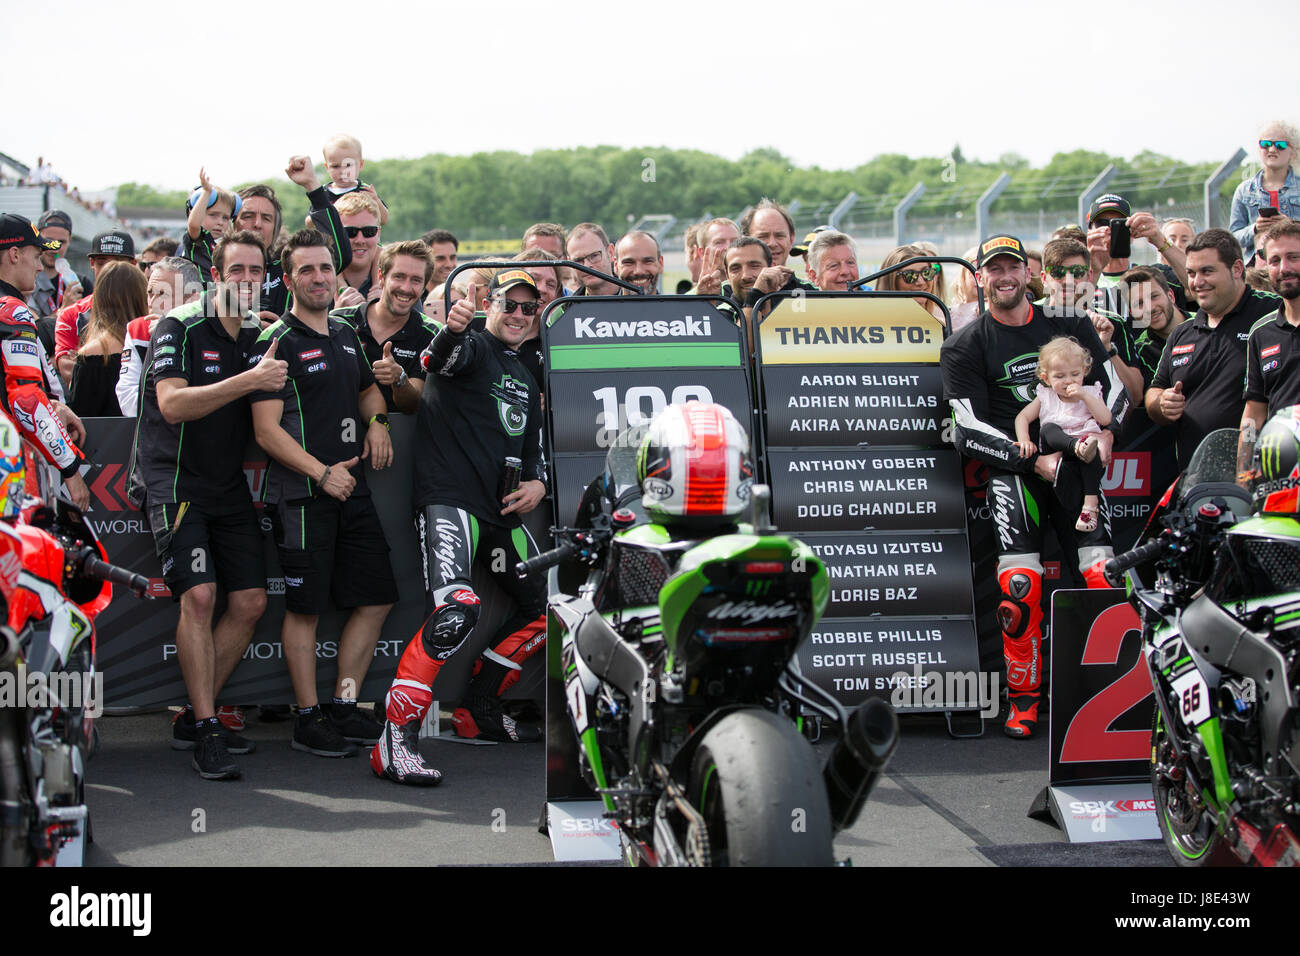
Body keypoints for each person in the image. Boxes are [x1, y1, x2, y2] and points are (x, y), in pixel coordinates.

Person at [940, 234, 1129, 738]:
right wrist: (1031, 460)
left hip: (1076, 468)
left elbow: (1110, 390)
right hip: (1017, 472)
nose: (1005, 277)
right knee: (1019, 592)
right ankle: (1023, 702)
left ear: (1030, 272)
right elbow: (967, 428)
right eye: (994, 269)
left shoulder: (1068, 324)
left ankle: (1119, 698)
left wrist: (1106, 432)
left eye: (1013, 267)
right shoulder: (965, 344)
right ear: (980, 277)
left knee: (1103, 577)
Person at [371, 269, 548, 784]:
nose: (517, 315)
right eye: (509, 305)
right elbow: (438, 360)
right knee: (457, 610)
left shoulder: (526, 376)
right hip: (450, 501)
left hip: (502, 512)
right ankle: (392, 741)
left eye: (527, 308)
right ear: (489, 305)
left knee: (548, 608)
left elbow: (532, 453)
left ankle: (478, 708)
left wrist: (537, 483)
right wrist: (451, 330)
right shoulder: (470, 346)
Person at [132, 231, 282, 779]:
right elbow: (171, 405)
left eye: (254, 270)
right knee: (199, 597)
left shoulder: (262, 333)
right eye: (235, 270)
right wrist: (250, 378)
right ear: (217, 275)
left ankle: (195, 719)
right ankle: (208, 727)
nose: (244, 279)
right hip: (172, 482)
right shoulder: (181, 324)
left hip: (225, 485)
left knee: (249, 603)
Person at [251, 229, 397, 758]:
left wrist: (377, 421)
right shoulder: (277, 343)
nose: (318, 278)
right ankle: (308, 718)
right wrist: (320, 473)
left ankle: (342, 705)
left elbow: (366, 387)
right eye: (306, 270)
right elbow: (267, 430)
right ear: (289, 279)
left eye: (324, 269)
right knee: (306, 610)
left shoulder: (343, 333)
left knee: (377, 596)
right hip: (305, 494)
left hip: (351, 489)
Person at [1146, 229, 1281, 469]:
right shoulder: (1182, 332)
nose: (1198, 282)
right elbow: (1155, 389)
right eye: (1191, 273)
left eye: (1207, 271)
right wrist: (1161, 402)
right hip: (1196, 479)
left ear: (1237, 269)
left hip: (1265, 473)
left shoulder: (1273, 313)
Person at [0, 214, 89, 510]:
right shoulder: (11, 311)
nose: (40, 266)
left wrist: (55, 404)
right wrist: (71, 467)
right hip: (9, 468)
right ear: (14, 255)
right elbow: (26, 399)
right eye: (36, 256)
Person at [1014, 337, 1113, 532]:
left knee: (1093, 448)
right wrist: (1024, 440)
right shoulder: (1046, 396)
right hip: (1056, 447)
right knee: (1049, 428)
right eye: (1059, 376)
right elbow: (1022, 418)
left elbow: (1105, 419)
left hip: (1086, 447)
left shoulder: (1090, 392)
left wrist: (1085, 396)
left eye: (1075, 374)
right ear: (1046, 378)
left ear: (1084, 372)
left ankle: (1090, 505)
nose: (1068, 381)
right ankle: (1077, 447)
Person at [331, 240, 440, 414]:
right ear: (381, 278)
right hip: (341, 433)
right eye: (399, 277)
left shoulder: (432, 333)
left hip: (399, 437)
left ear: (424, 287)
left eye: (416, 280)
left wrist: (400, 379)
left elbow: (414, 405)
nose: (406, 288)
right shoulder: (340, 321)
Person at [238, 165, 352, 320]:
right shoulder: (216, 267)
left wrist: (312, 185)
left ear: (276, 229)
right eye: (247, 216)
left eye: (266, 218)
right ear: (232, 222)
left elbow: (339, 255)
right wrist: (246, 326)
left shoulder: (288, 263)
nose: (257, 223)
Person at [1241, 220, 1300, 460]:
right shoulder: (1260, 332)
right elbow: (1253, 414)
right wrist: (1243, 471)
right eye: (1275, 261)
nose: (1284, 268)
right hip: (1280, 473)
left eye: (1293, 257)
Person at [117, 256, 204, 416]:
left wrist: (172, 332)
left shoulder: (210, 329)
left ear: (192, 299)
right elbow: (127, 399)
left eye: (163, 294)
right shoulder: (137, 329)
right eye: (150, 293)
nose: (152, 303)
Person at [53, 230, 137, 385]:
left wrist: (86, 360)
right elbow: (66, 369)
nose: (109, 270)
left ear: (133, 264)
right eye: (102, 262)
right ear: (91, 263)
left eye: (118, 263)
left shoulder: (147, 309)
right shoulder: (71, 314)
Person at [67, 261, 147, 417]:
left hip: (106, 440)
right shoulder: (154, 343)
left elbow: (80, 418)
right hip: (146, 438)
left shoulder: (92, 353)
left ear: (99, 298)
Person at [1230, 121, 1300, 263]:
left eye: (1280, 145)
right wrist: (1255, 228)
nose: (1272, 149)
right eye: (1266, 144)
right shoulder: (1244, 191)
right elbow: (1233, 239)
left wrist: (1291, 226)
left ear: (1293, 153)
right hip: (1256, 269)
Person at [182, 167, 241, 287]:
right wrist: (207, 193)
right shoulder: (199, 240)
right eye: (213, 215)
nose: (220, 222)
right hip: (196, 295)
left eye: (225, 218)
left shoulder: (223, 246)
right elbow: (193, 225)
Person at [321, 133, 389, 223]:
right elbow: (309, 223)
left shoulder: (364, 191)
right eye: (336, 166)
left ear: (360, 165)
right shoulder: (323, 194)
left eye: (348, 165)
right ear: (327, 167)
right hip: (331, 237)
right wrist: (320, 215)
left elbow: (384, 220)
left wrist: (376, 201)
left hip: (361, 235)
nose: (343, 171)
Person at [334, 191, 383, 306]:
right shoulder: (318, 283)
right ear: (334, 234)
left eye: (369, 231)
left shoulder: (396, 283)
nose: (360, 240)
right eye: (350, 232)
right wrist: (337, 315)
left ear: (378, 234)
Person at [876, 244, 946, 319]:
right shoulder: (873, 321)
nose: (921, 282)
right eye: (910, 275)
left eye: (927, 273)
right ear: (891, 280)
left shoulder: (942, 319)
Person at [565, 223, 620, 296]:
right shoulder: (568, 306)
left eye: (594, 256)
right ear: (570, 263)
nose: (587, 266)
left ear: (610, 253)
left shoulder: (638, 300)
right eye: (578, 260)